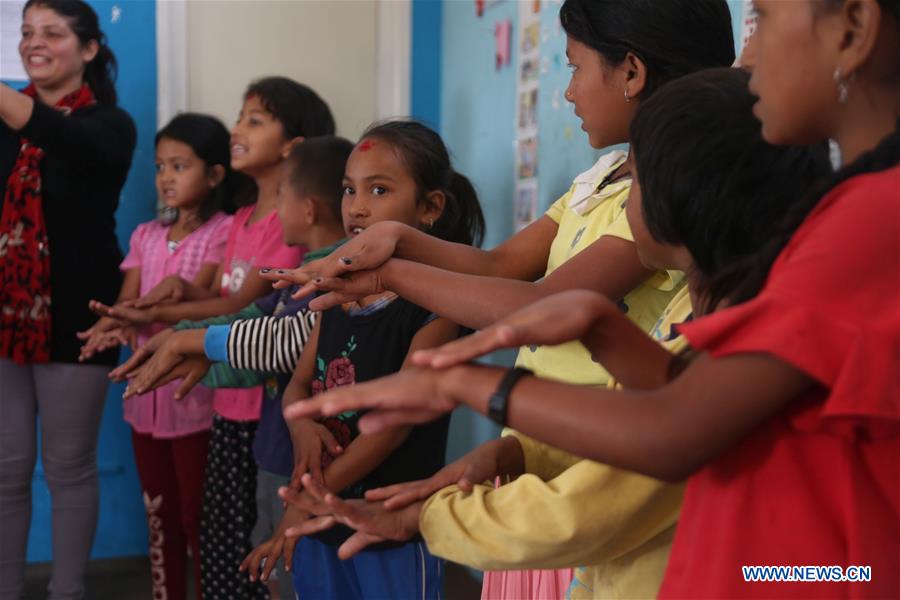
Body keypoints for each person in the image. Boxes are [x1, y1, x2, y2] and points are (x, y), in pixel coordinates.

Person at [287, 1, 900, 597]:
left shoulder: (866, 226)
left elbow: (676, 430)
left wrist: (464, 387)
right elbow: (700, 399)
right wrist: (578, 361)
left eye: (763, 16)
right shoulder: (844, 216)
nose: (746, 53)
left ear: (853, 28)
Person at [110, 135, 354, 600]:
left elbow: (279, 344)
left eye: (280, 194)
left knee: (299, 572)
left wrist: (192, 341)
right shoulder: (300, 274)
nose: (272, 205)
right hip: (277, 452)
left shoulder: (334, 278)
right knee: (276, 567)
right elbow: (250, 326)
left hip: (304, 461)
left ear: (306, 209)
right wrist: (185, 350)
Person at [0, 1, 136, 597]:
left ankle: (68, 592)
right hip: (5, 319)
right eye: (27, 32)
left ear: (87, 49)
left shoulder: (109, 124)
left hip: (79, 317)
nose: (35, 42)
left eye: (52, 33)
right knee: (4, 475)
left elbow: (56, 135)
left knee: (68, 468)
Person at [78, 113, 238, 600]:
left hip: (194, 404)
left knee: (197, 515)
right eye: (160, 166)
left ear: (214, 175)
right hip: (142, 401)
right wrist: (113, 320)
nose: (166, 176)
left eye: (180, 165)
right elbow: (130, 301)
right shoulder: (145, 235)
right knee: (158, 511)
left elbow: (208, 300)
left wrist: (160, 305)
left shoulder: (224, 232)